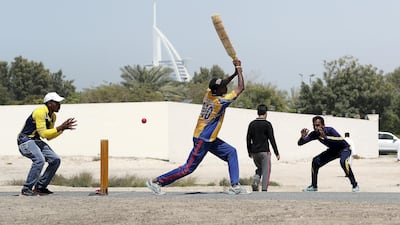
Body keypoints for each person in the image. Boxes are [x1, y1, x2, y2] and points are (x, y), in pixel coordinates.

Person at [146, 59, 247, 195]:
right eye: (223, 86)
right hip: (203, 139)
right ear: (218, 91)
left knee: (231, 152)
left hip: (208, 138)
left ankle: (235, 185)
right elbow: (241, 88)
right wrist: (239, 70)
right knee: (188, 168)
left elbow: (222, 85)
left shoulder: (209, 94)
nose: (226, 87)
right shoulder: (220, 102)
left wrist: (234, 74)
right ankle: (157, 182)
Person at [17, 92, 77, 196]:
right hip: (25, 141)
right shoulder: (40, 112)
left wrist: (62, 129)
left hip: (36, 141)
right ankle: (26, 188)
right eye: (57, 103)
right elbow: (44, 133)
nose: (59, 105)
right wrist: (60, 127)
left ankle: (40, 187)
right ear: (49, 103)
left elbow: (49, 137)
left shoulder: (52, 116)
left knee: (55, 160)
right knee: (39, 160)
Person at [298, 116, 359, 192]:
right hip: (333, 151)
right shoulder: (314, 134)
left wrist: (326, 137)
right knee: (315, 161)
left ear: (323, 125)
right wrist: (302, 137)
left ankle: (355, 185)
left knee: (343, 162)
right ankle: (314, 186)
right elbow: (300, 143)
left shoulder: (330, 130)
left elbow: (340, 139)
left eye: (317, 125)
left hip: (344, 149)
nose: (315, 127)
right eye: (314, 125)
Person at [246, 104, 280, 192]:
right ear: (265, 113)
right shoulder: (267, 124)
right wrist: (277, 153)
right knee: (266, 171)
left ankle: (256, 181)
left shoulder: (252, 124)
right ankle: (264, 189)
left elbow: (248, 138)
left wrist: (249, 151)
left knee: (260, 169)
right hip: (264, 151)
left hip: (254, 152)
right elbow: (272, 139)